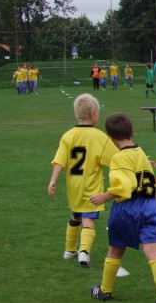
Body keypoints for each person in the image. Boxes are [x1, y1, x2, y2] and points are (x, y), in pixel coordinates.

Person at [87, 113, 156, 303]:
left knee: (116, 249)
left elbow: (125, 187)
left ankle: (104, 290)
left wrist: (105, 196)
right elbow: (149, 180)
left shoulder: (119, 158)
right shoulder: (140, 152)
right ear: (132, 131)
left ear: (110, 138)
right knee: (153, 250)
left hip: (127, 208)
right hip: (149, 206)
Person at [47, 93, 117, 267]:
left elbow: (59, 161)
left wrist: (53, 180)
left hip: (74, 186)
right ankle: (84, 252)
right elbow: (115, 159)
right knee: (88, 219)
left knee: (75, 215)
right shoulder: (99, 137)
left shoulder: (68, 135)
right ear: (94, 114)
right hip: (91, 187)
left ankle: (69, 250)